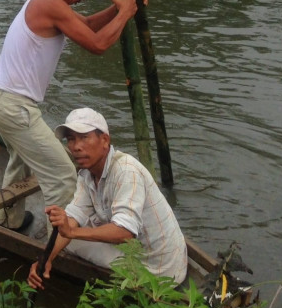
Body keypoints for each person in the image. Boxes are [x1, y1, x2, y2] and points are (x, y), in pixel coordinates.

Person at [0, 0, 140, 232]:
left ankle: (9, 221)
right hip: (12, 105)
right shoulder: (49, 5)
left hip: (2, 98)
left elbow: (88, 26)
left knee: (21, 160)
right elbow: (97, 44)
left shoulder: (44, 0)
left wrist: (119, 11)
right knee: (63, 177)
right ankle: (63, 243)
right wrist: (125, 13)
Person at [27, 107, 188, 288]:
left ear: (104, 140)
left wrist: (72, 232)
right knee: (71, 234)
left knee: (72, 239)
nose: (76, 146)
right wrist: (46, 258)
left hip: (159, 271)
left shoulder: (126, 171)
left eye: (84, 137)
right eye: (71, 139)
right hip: (145, 255)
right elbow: (74, 217)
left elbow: (125, 233)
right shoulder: (87, 174)